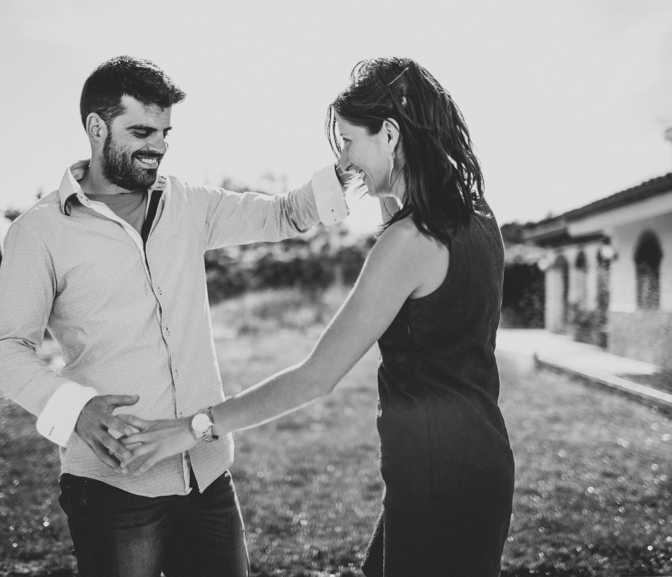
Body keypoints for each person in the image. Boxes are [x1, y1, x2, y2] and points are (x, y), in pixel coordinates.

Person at [121, 57, 516, 577]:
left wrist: (197, 427)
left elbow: (316, 377)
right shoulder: (478, 217)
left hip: (436, 483)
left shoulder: (408, 243)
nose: (344, 160)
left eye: (349, 142)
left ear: (390, 134)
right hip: (480, 461)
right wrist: (378, 175)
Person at [0, 55, 348, 577]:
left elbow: (284, 213)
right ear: (96, 128)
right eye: (141, 131)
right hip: (115, 487)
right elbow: (8, 349)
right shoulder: (38, 232)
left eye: (164, 132)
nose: (157, 145)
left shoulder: (187, 203)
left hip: (207, 473)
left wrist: (350, 169)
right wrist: (75, 410)